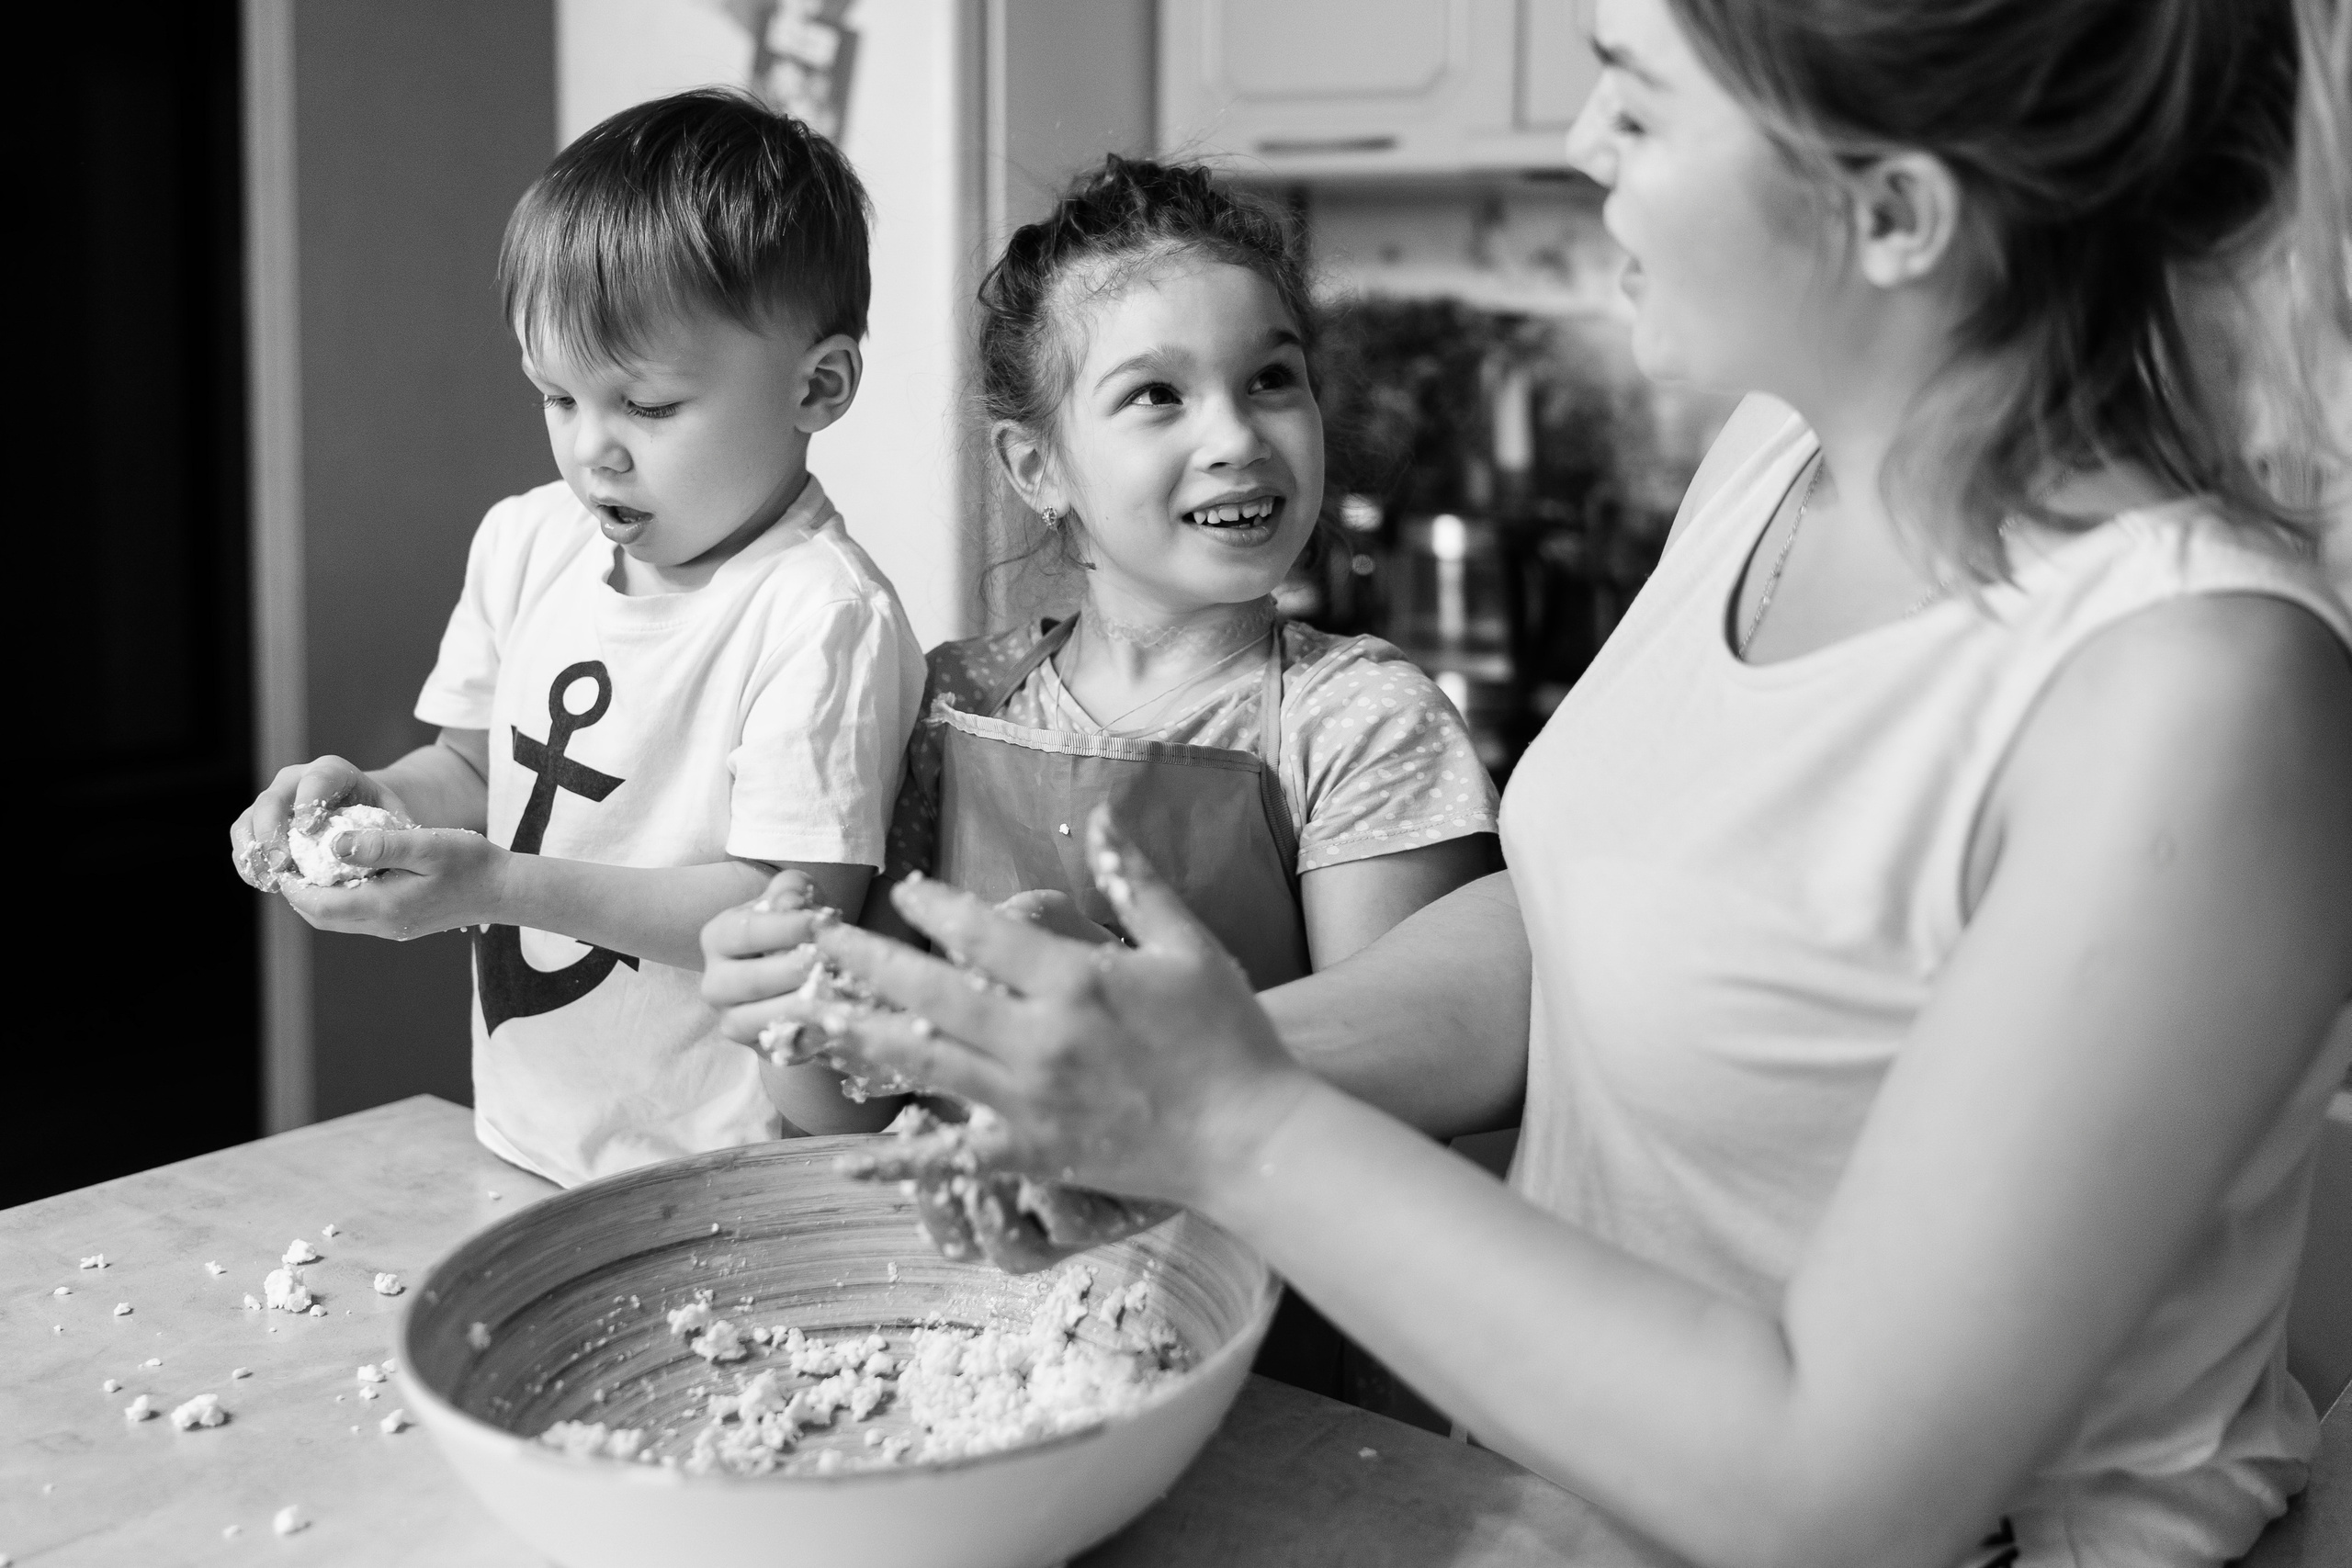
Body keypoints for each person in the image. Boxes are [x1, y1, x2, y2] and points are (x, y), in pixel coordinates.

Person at [709, 1, 2352, 1563]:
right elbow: (1579, 933)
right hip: (1542, 1501)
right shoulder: (1781, 460)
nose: (1581, 143)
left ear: (1896, 212)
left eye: (1636, 99)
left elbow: (1839, 1495)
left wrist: (1239, 1125)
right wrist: (1114, 1091)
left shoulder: (2195, 693)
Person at [700, 156, 1501, 1385]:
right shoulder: (958, 700)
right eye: (1158, 396)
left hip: (1278, 1364)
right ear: (1036, 466)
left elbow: (1401, 1104)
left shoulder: (1362, 724)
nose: (1238, 435)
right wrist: (799, 1011)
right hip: (991, 1347)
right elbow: (853, 1114)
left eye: (1272, 379)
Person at [229, 90, 925, 1187]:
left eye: (646, 408)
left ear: (818, 386)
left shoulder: (819, 617)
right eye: (557, 396)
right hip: (524, 1131)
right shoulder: (524, 543)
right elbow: (467, 766)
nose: (592, 451)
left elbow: (777, 919)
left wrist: (500, 888)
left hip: (715, 1168)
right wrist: (374, 805)